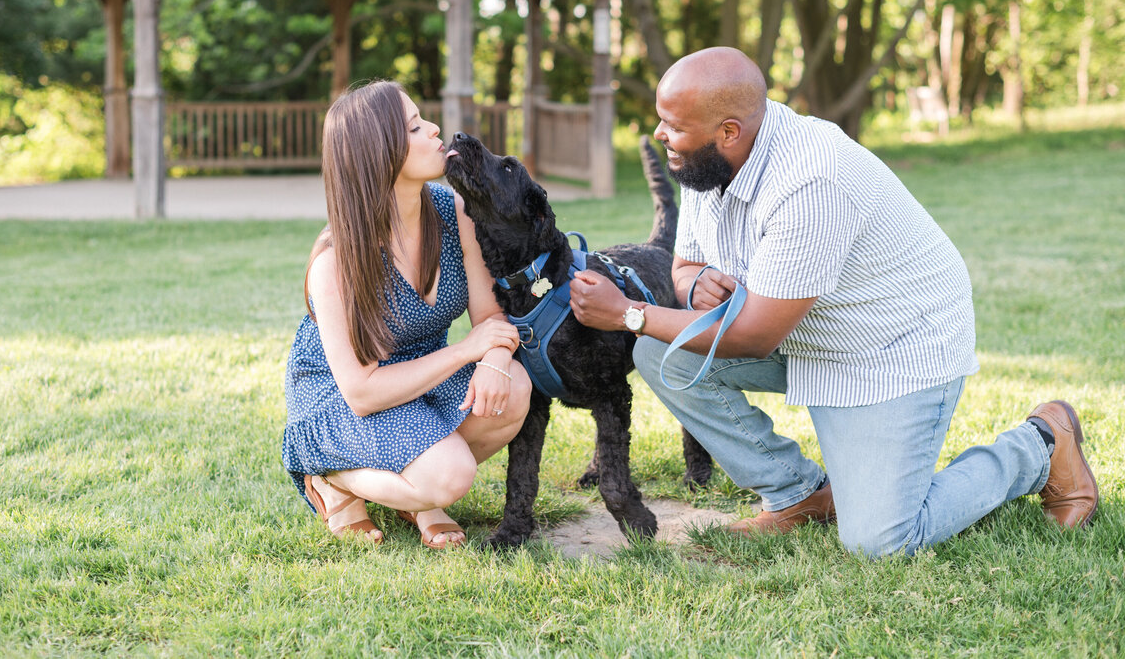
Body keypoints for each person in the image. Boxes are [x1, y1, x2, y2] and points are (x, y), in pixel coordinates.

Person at [569, 47, 1098, 558]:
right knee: (662, 351)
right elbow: (684, 267)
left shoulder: (811, 180)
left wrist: (628, 315)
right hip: (807, 335)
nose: (661, 133)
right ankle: (798, 494)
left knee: (880, 540)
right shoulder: (704, 159)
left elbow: (753, 337)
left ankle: (1040, 445)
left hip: (891, 350)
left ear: (728, 131)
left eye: (673, 125)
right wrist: (696, 281)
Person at [282, 80, 531, 548]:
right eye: (416, 126)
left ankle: (414, 483)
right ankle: (334, 478)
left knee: (515, 389)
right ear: (380, 154)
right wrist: (466, 352)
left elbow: (489, 316)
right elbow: (361, 391)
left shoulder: (454, 210)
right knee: (450, 474)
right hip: (345, 397)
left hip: (423, 375)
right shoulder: (335, 260)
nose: (436, 129)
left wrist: (494, 358)